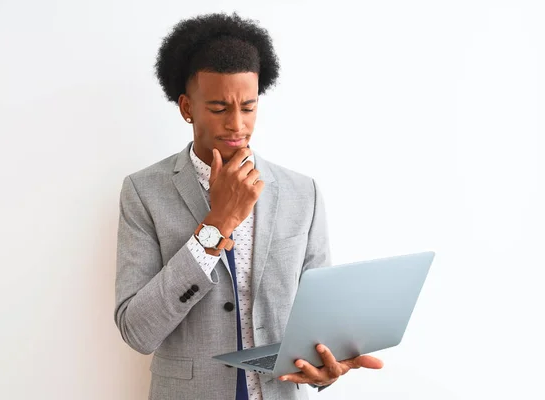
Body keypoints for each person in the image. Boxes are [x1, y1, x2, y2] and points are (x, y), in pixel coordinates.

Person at [114, 12, 383, 400]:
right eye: (220, 109)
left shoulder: (301, 193)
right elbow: (137, 330)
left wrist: (325, 369)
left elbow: (317, 326)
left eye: (249, 107)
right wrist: (217, 223)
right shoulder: (143, 192)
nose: (237, 125)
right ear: (187, 107)